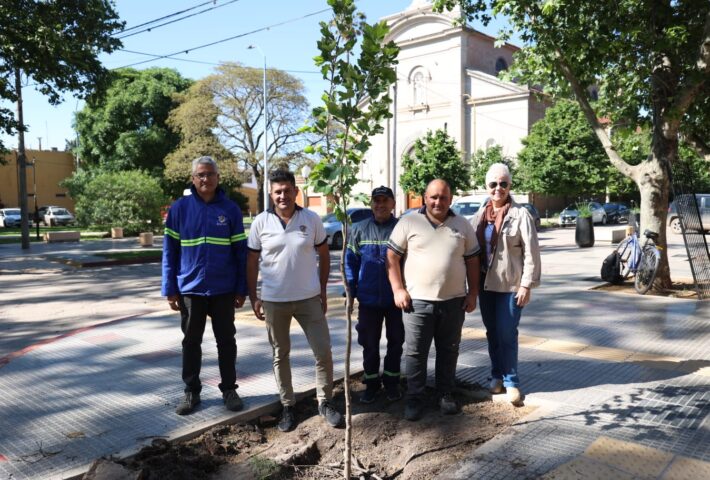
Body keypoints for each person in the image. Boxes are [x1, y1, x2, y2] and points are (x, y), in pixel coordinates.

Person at [246, 169, 343, 432]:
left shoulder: (311, 219)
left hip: (309, 298)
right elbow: (252, 261)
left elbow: (324, 255)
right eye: (277, 191)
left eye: (287, 190)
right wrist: (254, 296)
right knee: (281, 354)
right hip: (274, 300)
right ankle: (288, 405)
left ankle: (326, 401)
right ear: (270, 193)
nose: (283, 196)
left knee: (323, 351)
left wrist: (322, 290)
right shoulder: (260, 223)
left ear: (295, 192)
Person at [387, 179, 480, 421]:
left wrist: (472, 294)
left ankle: (445, 394)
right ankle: (414, 399)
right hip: (416, 303)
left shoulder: (463, 225)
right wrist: (398, 289)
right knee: (416, 353)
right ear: (425, 198)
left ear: (451, 199)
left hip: (454, 302)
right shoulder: (409, 222)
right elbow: (391, 257)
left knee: (448, 351)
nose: (438, 202)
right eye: (433, 197)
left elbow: (472, 261)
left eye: (444, 197)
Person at [161, 156, 247, 416]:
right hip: (190, 288)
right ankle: (191, 391)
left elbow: (240, 252)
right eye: (200, 175)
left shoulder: (230, 209)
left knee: (226, 341)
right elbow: (170, 252)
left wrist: (241, 288)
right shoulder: (180, 209)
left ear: (218, 177)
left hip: (223, 288)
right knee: (190, 342)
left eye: (210, 174)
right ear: (193, 179)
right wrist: (170, 288)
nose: (205, 179)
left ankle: (229, 389)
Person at [470, 163, 541, 406]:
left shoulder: (521, 215)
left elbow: (531, 253)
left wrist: (526, 285)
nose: (498, 188)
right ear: (486, 187)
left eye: (503, 184)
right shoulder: (479, 217)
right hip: (486, 286)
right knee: (492, 334)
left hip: (511, 286)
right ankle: (496, 375)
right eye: (493, 184)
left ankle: (511, 381)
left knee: (507, 333)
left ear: (510, 185)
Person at [344, 186, 404, 404]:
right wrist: (350, 292)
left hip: (396, 300)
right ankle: (371, 384)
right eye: (376, 201)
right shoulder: (358, 229)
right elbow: (350, 263)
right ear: (371, 204)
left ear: (393, 204)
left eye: (384, 201)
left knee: (396, 342)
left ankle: (392, 383)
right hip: (368, 299)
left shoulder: (401, 228)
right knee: (369, 343)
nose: (380, 205)